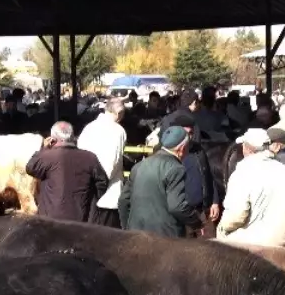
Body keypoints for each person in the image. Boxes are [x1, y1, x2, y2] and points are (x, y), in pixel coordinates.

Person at [217, 128, 285, 247]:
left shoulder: (243, 171)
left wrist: (222, 228)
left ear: (247, 148)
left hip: (256, 243)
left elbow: (236, 216)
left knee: (220, 236)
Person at [118, 126, 202, 237]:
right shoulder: (176, 168)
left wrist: (127, 228)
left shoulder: (139, 166)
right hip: (165, 238)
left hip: (136, 234)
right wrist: (196, 223)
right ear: (182, 149)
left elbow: (123, 201)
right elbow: (177, 206)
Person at [25, 122, 108, 223]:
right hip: (82, 219)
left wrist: (43, 148)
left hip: (51, 220)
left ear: (52, 139)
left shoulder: (48, 156)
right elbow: (103, 182)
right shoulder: (90, 157)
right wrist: (91, 199)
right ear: (73, 137)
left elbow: (30, 167)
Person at [77, 98, 127, 227]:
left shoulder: (88, 127)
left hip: (87, 190)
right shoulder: (117, 131)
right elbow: (112, 161)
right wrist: (101, 187)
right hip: (107, 195)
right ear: (119, 113)